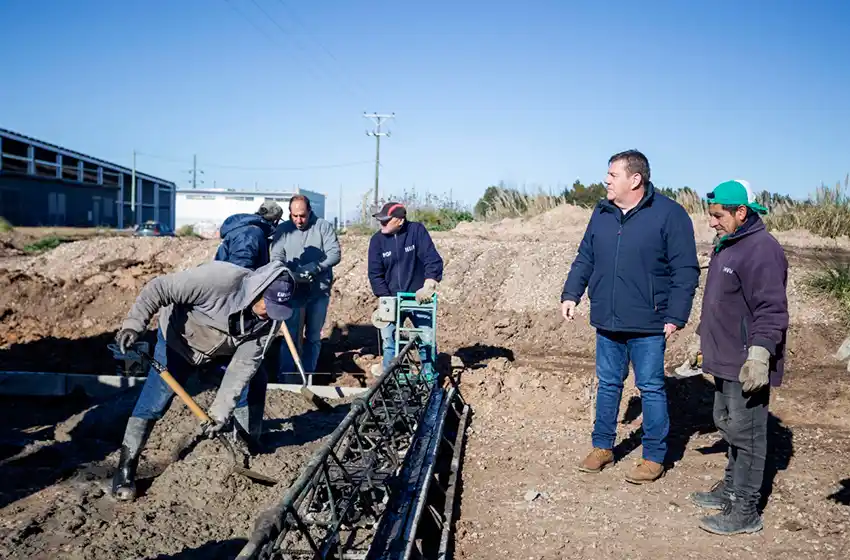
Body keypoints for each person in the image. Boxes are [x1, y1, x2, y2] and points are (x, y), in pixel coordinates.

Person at [560, 149, 700, 484]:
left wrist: (676, 315)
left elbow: (686, 270)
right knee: (608, 384)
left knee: (650, 387)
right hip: (607, 318)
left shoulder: (669, 214)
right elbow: (586, 256)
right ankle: (602, 447)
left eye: (612, 174)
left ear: (634, 179)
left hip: (649, 321)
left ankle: (653, 456)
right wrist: (571, 293)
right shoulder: (602, 212)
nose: (606, 180)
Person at [110, 260, 295, 502]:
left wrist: (219, 414)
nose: (270, 313)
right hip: (179, 343)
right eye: (267, 305)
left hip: (220, 353)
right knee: (155, 401)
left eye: (277, 309)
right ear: (257, 291)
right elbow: (158, 288)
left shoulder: (271, 320)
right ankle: (126, 466)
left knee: (255, 380)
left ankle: (247, 443)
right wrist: (134, 325)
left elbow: (242, 367)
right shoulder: (217, 281)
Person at [683, 180, 788, 535]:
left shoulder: (761, 250)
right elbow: (720, 306)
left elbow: (771, 310)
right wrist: (702, 347)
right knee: (727, 423)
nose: (711, 222)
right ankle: (730, 488)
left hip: (746, 362)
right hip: (723, 358)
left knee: (749, 433)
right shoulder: (728, 245)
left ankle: (745, 511)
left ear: (741, 212)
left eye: (717, 215)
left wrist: (759, 357)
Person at [213, 200, 284, 443]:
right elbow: (239, 272)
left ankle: (247, 431)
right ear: (274, 221)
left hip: (234, 308)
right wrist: (249, 303)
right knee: (248, 374)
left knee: (252, 374)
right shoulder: (252, 234)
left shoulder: (246, 230)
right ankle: (243, 435)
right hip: (238, 311)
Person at [367, 202, 444, 380]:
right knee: (389, 341)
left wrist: (429, 284)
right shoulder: (377, 241)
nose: (382, 224)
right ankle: (389, 378)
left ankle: (429, 378)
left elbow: (432, 259)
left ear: (400, 220)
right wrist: (385, 298)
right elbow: (375, 273)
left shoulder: (416, 232)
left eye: (386, 221)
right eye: (380, 221)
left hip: (418, 298)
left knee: (426, 338)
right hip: (392, 298)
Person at [270, 195, 341, 378]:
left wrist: (316, 267)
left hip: (318, 291)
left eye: (302, 216)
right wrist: (284, 271)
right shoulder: (284, 229)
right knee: (290, 336)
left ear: (309, 211)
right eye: (294, 216)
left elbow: (334, 254)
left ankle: (308, 376)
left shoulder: (322, 226)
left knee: (313, 337)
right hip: (293, 292)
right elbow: (276, 255)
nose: (299, 220)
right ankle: (286, 377)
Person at [214, 200, 283, 270]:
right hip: (232, 279)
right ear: (275, 221)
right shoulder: (249, 234)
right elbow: (241, 268)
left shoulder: (251, 229)